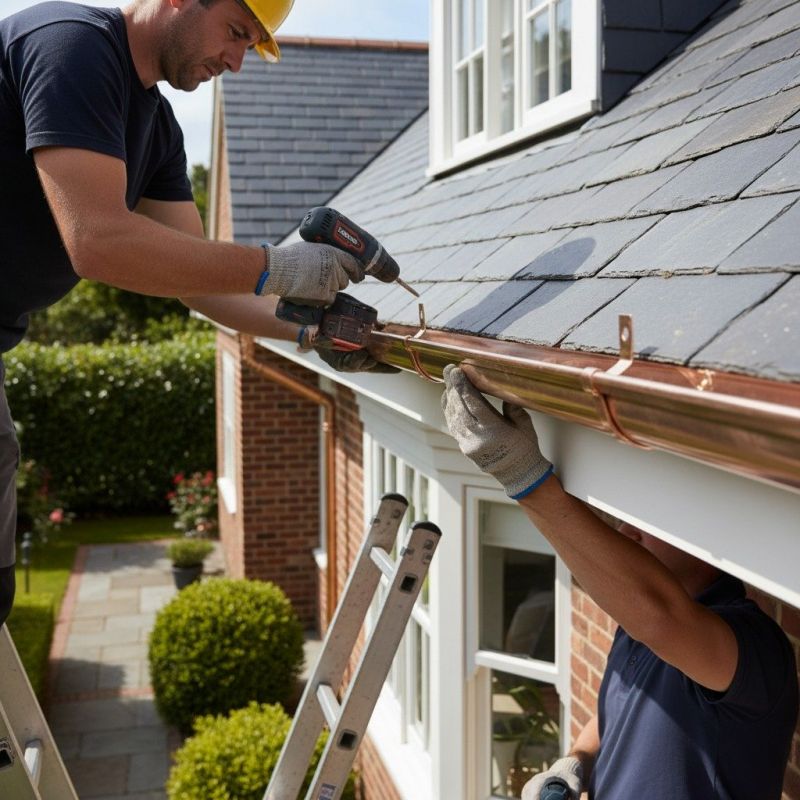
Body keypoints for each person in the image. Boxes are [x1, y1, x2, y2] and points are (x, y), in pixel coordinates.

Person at [0, 0, 385, 627]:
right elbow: (97, 240)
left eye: (251, 45)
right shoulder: (72, 45)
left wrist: (312, 332)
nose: (236, 62)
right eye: (236, 33)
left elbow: (198, 283)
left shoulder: (157, 130)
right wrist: (281, 266)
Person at [441, 364, 798, 800]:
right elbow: (624, 705)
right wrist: (576, 759)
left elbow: (663, 617)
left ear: (706, 536)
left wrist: (525, 480)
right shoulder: (636, 626)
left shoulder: (754, 650)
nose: (629, 533)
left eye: (647, 522)